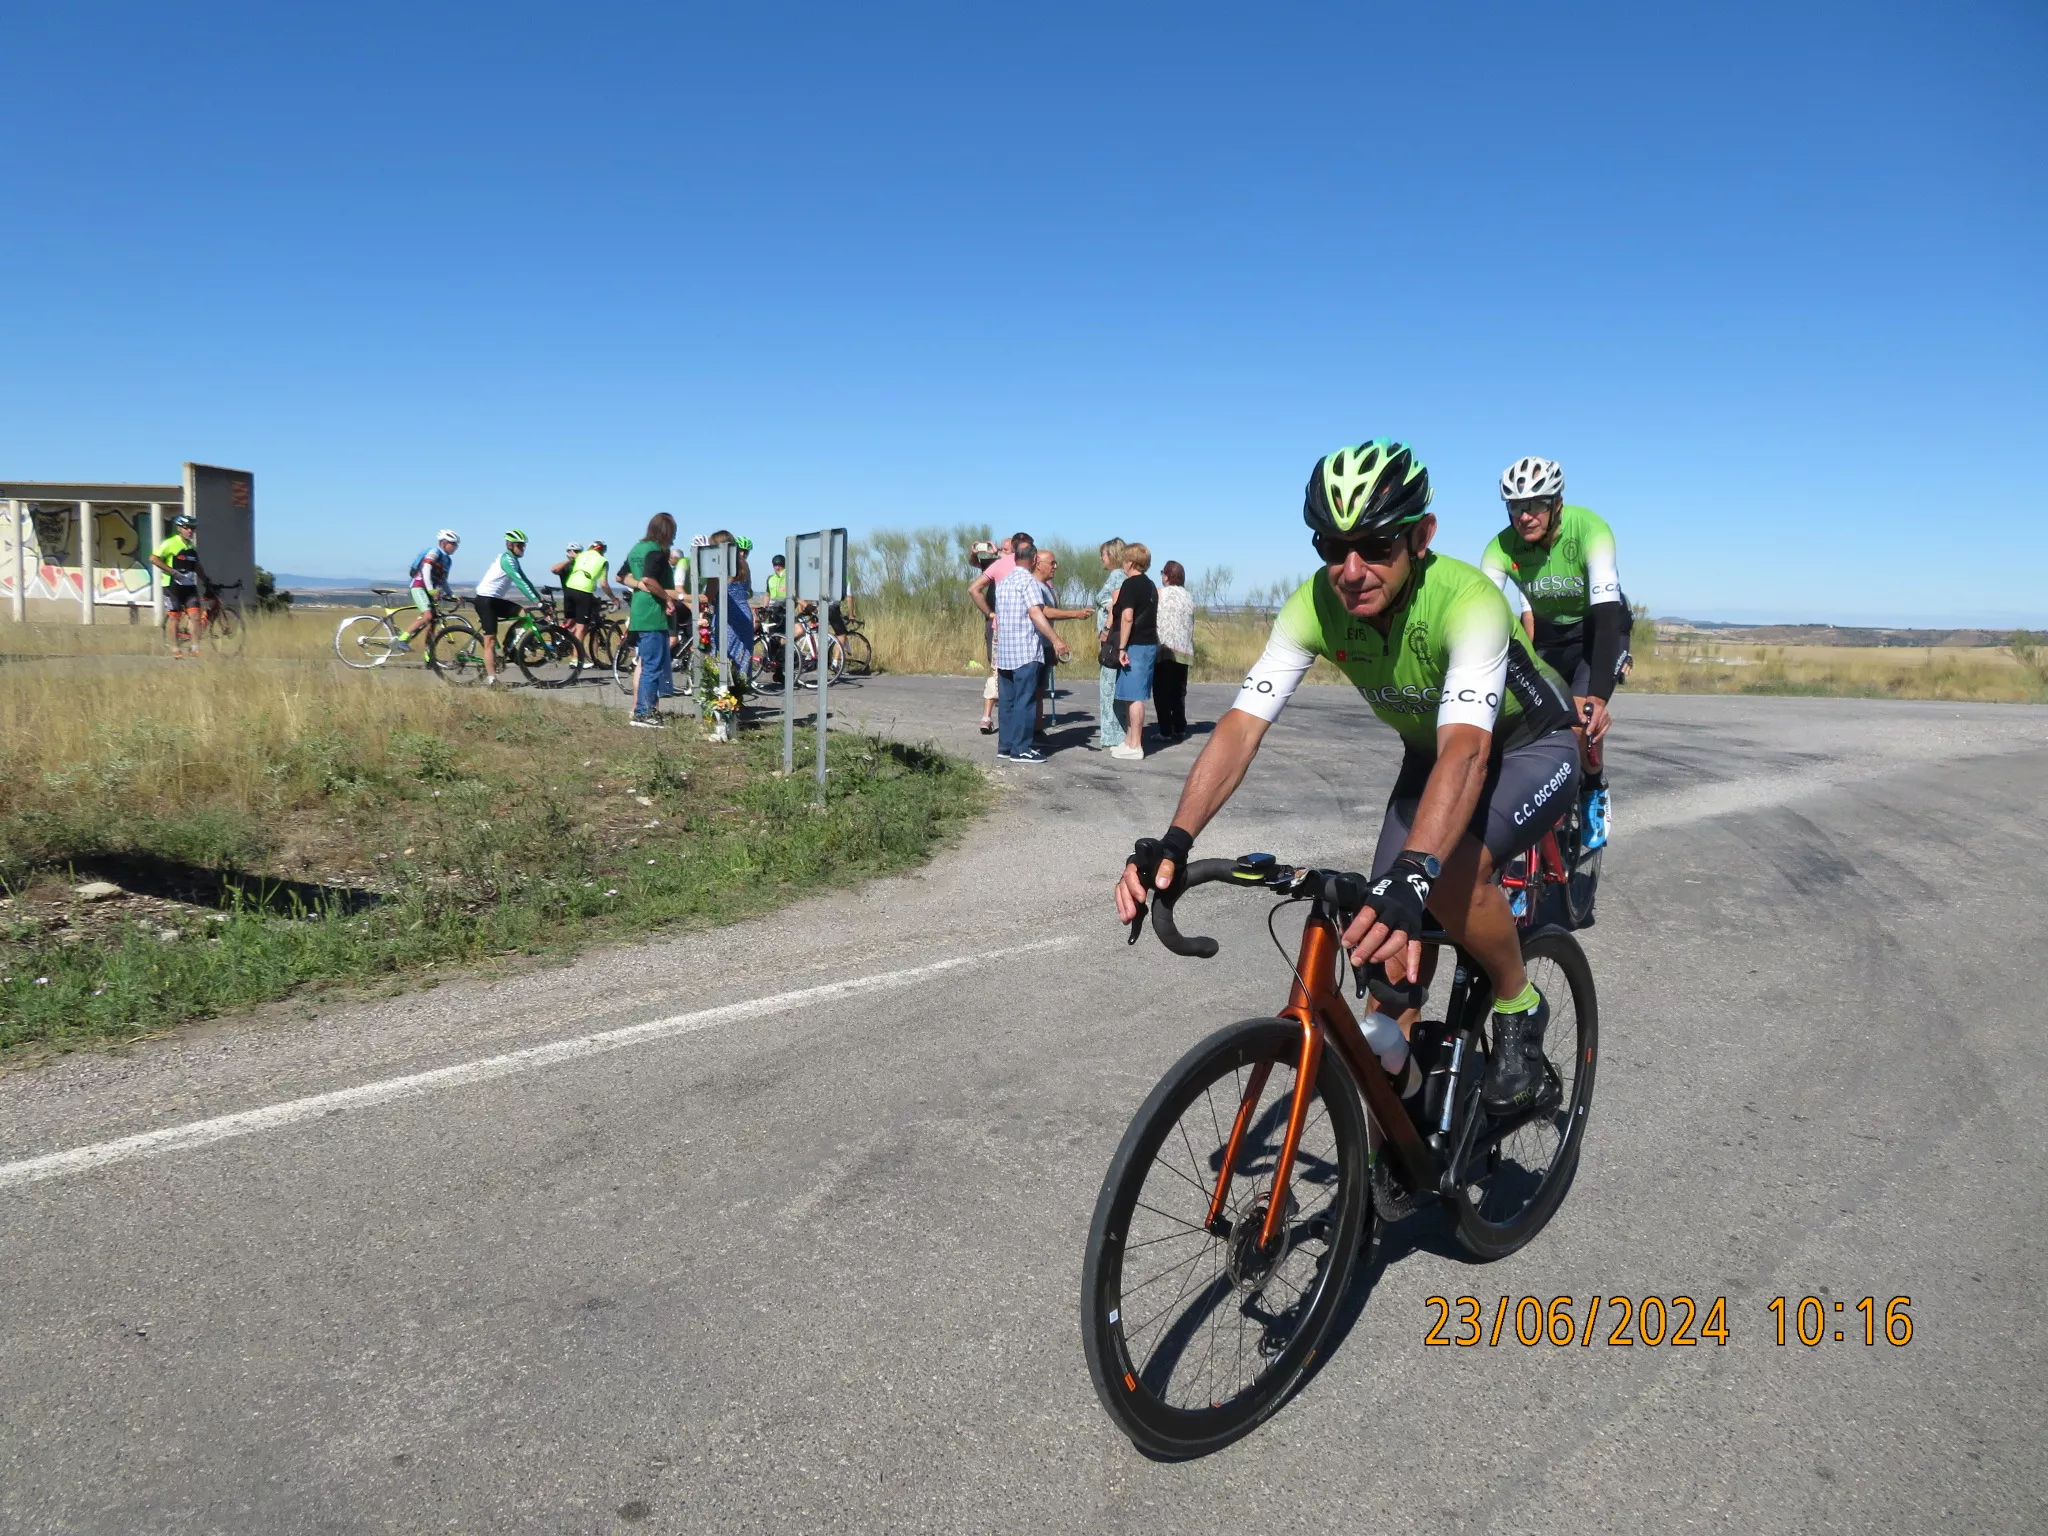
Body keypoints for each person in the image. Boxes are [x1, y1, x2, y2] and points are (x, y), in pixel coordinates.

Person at [1115, 439, 1581, 1119]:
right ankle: (1409, 1119)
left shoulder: (1468, 600)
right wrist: (1176, 839)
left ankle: (1519, 1002)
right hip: (1432, 755)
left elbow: (1467, 753)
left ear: (1422, 536)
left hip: (1530, 747)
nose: (1352, 570)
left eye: (1377, 546)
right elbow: (1242, 726)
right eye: (1333, 548)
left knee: (1445, 879)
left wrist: (1416, 873)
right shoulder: (1314, 603)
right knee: (1381, 947)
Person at [1479, 457, 1625, 848]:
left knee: (1580, 720)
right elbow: (1481, 612)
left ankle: (1593, 786)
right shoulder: (1500, 547)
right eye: (1515, 506)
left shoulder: (1590, 529)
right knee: (1519, 721)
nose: (1525, 516)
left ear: (1557, 503)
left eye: (1536, 504)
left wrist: (1596, 697)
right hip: (1548, 636)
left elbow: (1607, 617)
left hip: (1597, 631)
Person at [992, 538, 1070, 763]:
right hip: (1025, 651)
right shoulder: (1029, 582)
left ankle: (1005, 746)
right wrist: (1056, 640)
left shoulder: (1004, 582)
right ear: (1035, 559)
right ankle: (1021, 748)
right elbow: (1036, 613)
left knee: (1007, 702)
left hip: (1005, 652)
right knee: (1026, 701)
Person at [621, 513, 679, 727]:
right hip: (653, 613)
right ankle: (644, 713)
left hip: (638, 609)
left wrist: (638, 585)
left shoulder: (637, 548)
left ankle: (644, 708)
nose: (674, 537)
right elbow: (648, 579)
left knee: (646, 662)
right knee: (653, 665)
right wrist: (667, 598)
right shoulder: (656, 551)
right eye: (673, 532)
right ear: (666, 532)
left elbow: (621, 576)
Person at [472, 528, 548, 685]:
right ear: (510, 545)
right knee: (490, 642)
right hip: (485, 601)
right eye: (520, 545)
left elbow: (526, 581)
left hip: (495, 600)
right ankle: (492, 679)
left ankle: (508, 646)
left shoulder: (513, 560)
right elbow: (519, 583)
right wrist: (538, 603)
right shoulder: (506, 560)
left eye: (524, 545)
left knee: (524, 614)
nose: (523, 548)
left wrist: (540, 599)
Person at [1031, 548, 1094, 735]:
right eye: (1052, 563)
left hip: (1045, 645)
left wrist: (1052, 645)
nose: (1055, 566)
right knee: (1032, 691)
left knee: (1040, 691)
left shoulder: (1047, 587)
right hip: (1034, 646)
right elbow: (1045, 612)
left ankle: (1037, 729)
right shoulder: (1033, 585)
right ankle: (1029, 731)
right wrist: (1076, 613)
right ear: (1038, 564)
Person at [970, 534, 1028, 733]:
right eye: (1000, 549)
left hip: (1014, 625)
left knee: (1007, 670)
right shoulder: (996, 564)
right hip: (996, 622)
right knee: (996, 668)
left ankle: (1004, 714)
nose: (1000, 552)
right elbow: (974, 582)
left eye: (1005, 549)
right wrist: (989, 613)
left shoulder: (1019, 567)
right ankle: (988, 716)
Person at [1109, 544, 1159, 761]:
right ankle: (1129, 740)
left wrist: (1121, 647)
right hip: (1148, 643)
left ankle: (1136, 744)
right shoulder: (1150, 585)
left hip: (1135, 645)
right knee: (1130, 695)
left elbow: (1127, 617)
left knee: (1135, 696)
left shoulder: (1130, 584)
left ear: (1130, 562)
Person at [1091, 538, 1129, 751]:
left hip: (1111, 640)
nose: (1101, 558)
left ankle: (1113, 734)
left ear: (1112, 555)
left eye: (1103, 554)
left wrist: (1105, 629)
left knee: (1109, 687)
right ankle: (1119, 732)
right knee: (1116, 686)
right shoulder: (1123, 576)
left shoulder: (1116, 576)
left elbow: (1115, 606)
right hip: (1117, 638)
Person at [150, 513, 206, 658]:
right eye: (187, 528)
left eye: (192, 528)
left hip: (189, 586)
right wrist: (171, 571)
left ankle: (195, 648)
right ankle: (175, 648)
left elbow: (197, 566)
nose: (190, 531)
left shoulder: (191, 546)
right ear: (180, 528)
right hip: (172, 586)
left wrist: (206, 580)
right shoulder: (170, 543)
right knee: (175, 617)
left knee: (195, 615)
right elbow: (153, 558)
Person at [1153, 560, 1195, 743]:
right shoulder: (1188, 596)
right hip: (1184, 650)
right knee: (1178, 691)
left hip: (1165, 648)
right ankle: (1179, 727)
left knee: (1161, 691)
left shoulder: (1160, 593)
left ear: (1168, 576)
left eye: (1163, 572)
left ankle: (1165, 730)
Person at [397, 529, 460, 651]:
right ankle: (402, 639)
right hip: (419, 586)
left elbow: (443, 580)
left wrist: (451, 594)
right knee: (427, 616)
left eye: (456, 545)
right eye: (453, 544)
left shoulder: (448, 560)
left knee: (432, 623)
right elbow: (426, 568)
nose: (455, 547)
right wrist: (431, 589)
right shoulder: (435, 551)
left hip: (428, 590)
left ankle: (429, 654)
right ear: (443, 543)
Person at [560, 539, 615, 650]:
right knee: (581, 628)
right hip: (584, 592)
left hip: (569, 589)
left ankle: (558, 636)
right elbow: (604, 584)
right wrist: (614, 598)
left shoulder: (581, 556)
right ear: (603, 550)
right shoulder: (603, 561)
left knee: (570, 622)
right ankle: (576, 658)